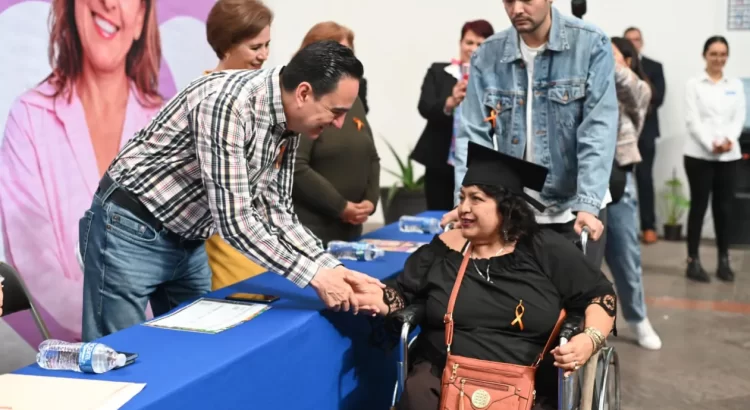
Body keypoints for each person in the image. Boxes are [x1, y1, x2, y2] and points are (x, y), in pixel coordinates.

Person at [78, 41, 384, 341]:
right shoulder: (229, 105)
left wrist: (332, 267)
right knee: (118, 354)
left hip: (188, 237)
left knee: (195, 351)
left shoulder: (288, 119)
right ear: (304, 92)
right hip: (131, 227)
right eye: (336, 111)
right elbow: (235, 222)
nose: (341, 124)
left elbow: (276, 210)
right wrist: (316, 277)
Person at [355, 142, 617, 410]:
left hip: (528, 382)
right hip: (443, 377)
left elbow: (600, 294)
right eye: (462, 198)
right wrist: (374, 296)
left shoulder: (544, 248)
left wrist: (588, 340)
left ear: (506, 207)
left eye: (476, 199)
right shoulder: (445, 249)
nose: (463, 209)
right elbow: (400, 292)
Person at [0, 0, 161, 344]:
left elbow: (177, 253)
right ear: (71, 7)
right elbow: (36, 269)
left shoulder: (163, 120)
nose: (110, 3)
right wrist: (130, 329)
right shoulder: (29, 118)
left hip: (161, 342)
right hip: (74, 362)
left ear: (141, 19)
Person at [444, 0, 618, 268]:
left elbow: (597, 130)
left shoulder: (590, 44)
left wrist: (588, 203)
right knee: (520, 304)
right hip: (516, 209)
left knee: (578, 302)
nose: (517, 9)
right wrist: (466, 201)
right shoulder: (487, 55)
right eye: (509, 1)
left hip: (575, 206)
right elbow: (473, 136)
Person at [202, 0, 273, 291]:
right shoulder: (210, 100)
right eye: (255, 48)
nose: (264, 56)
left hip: (261, 242)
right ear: (226, 45)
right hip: (229, 247)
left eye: (267, 45)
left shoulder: (257, 97)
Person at [292, 22, 380, 245]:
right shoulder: (304, 100)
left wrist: (370, 201)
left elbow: (371, 155)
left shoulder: (354, 99)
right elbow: (297, 165)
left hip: (352, 229)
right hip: (313, 230)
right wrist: (341, 207)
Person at [605, 37, 661, 350]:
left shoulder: (634, 90)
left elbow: (640, 93)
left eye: (614, 55)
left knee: (625, 256)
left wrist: (608, 59)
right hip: (579, 183)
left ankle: (638, 319)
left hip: (618, 180)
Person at [410, 20, 494, 211]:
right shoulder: (439, 72)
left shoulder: (494, 78)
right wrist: (450, 101)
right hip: (440, 158)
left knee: (472, 213)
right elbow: (425, 107)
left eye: (480, 44)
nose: (473, 49)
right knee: (438, 213)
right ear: (460, 43)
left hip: (477, 159)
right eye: (469, 42)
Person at [683, 36, 746, 283]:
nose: (718, 59)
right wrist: (712, 144)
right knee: (698, 207)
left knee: (724, 209)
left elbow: (739, 117)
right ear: (704, 55)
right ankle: (693, 261)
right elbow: (692, 119)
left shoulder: (736, 85)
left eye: (723, 54)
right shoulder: (693, 84)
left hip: (729, 156)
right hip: (699, 155)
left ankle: (723, 260)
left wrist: (728, 140)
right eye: (713, 54)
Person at [624, 27, 666, 245]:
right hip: (622, 135)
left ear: (642, 42)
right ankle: (624, 229)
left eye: (636, 39)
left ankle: (648, 226)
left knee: (645, 179)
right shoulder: (617, 67)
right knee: (622, 182)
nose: (633, 43)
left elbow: (658, 98)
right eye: (628, 40)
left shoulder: (653, 67)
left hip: (646, 133)